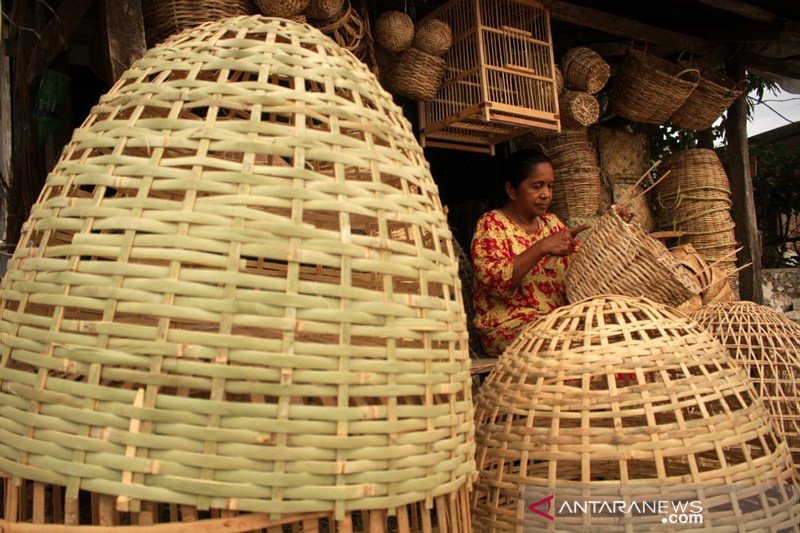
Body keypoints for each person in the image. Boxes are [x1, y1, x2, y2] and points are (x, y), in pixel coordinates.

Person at [470, 149, 588, 357]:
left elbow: (583, 265)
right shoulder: (492, 224)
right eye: (537, 186)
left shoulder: (551, 223)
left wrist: (612, 227)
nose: (546, 194)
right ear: (512, 190)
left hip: (555, 321)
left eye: (550, 186)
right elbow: (495, 284)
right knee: (568, 346)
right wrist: (541, 248)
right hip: (508, 325)